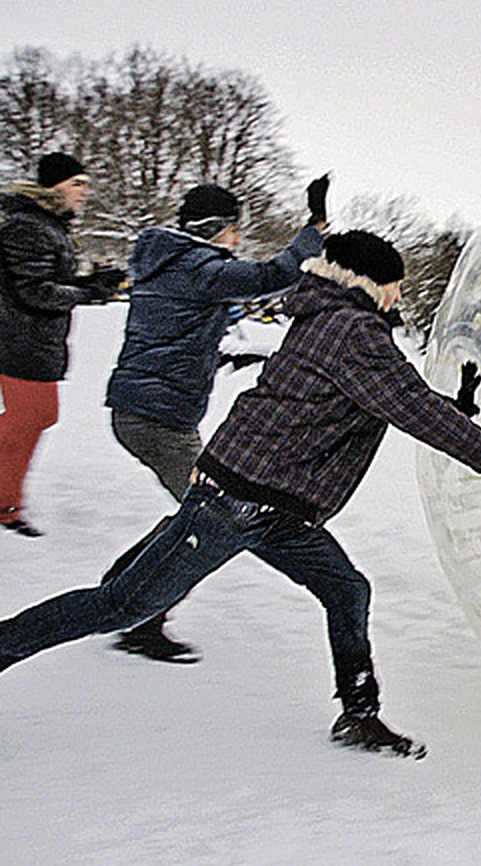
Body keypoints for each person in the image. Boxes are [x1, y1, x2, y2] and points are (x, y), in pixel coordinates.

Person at [0, 230, 481, 758]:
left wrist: (456, 409)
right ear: (369, 282)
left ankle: (359, 716)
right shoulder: (353, 329)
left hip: (275, 508)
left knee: (346, 589)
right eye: (393, 285)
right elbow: (404, 401)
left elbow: (392, 395)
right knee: (119, 606)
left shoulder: (331, 319)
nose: (397, 297)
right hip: (235, 500)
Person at [99, 177, 329, 663]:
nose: (239, 240)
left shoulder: (170, 265)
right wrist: (313, 229)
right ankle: (138, 617)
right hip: (156, 418)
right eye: (234, 230)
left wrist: (221, 355)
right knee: (212, 520)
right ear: (216, 228)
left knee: (198, 513)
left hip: (147, 412)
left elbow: (172, 330)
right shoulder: (197, 266)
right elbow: (274, 274)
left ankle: (119, 586)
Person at [0, 153, 120, 537]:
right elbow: (34, 291)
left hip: (32, 339)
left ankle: (5, 502)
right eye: (77, 184)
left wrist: (91, 282)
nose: (84, 192)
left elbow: (45, 279)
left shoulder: (47, 225)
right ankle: (4, 503)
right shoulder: (29, 225)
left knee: (33, 417)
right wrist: (88, 292)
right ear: (54, 186)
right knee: (33, 415)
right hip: (19, 337)